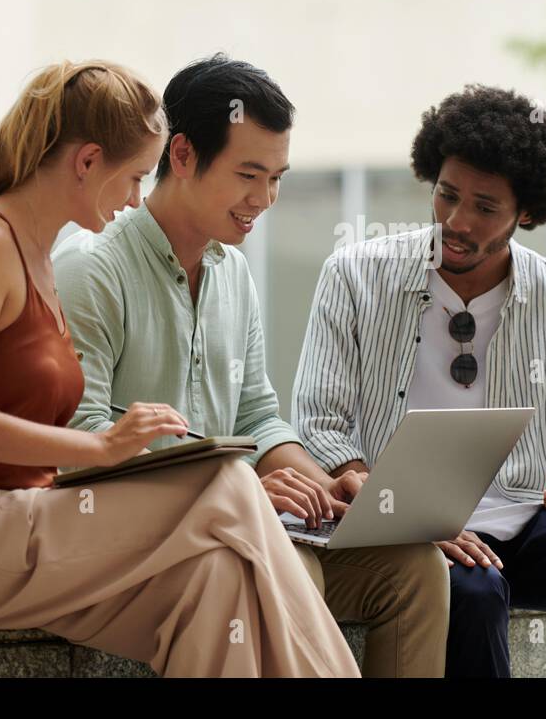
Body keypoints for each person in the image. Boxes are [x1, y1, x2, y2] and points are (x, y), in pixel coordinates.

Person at [0, 59, 359, 678]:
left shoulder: (42, 261)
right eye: (135, 176)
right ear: (87, 163)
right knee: (228, 483)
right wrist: (102, 445)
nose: (138, 197)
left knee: (216, 585)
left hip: (23, 525)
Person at [53, 53, 449, 678]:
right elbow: (78, 444)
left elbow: (258, 414)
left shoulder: (232, 272)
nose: (264, 199)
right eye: (248, 174)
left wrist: (324, 485)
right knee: (296, 566)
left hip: (241, 520)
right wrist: (236, 490)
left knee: (415, 568)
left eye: (277, 177)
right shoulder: (92, 267)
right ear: (179, 155)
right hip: (141, 538)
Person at [292, 84, 546, 677]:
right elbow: (321, 427)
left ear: (527, 213)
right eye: (447, 195)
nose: (456, 222)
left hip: (536, 533)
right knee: (476, 590)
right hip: (414, 535)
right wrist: (402, 511)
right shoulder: (355, 277)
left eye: (484, 208)